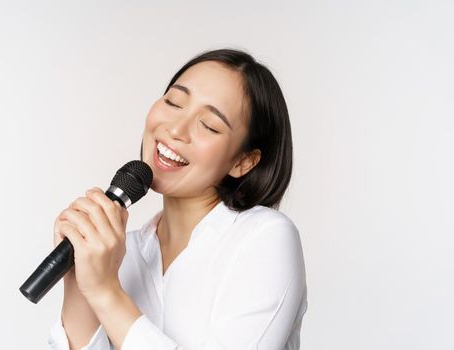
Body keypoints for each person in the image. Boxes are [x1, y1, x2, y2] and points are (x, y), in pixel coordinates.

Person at [47, 49, 307, 350]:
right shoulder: (120, 251)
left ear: (243, 161)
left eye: (209, 125)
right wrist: (80, 282)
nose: (175, 129)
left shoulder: (264, 238)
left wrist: (106, 293)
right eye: (173, 102)